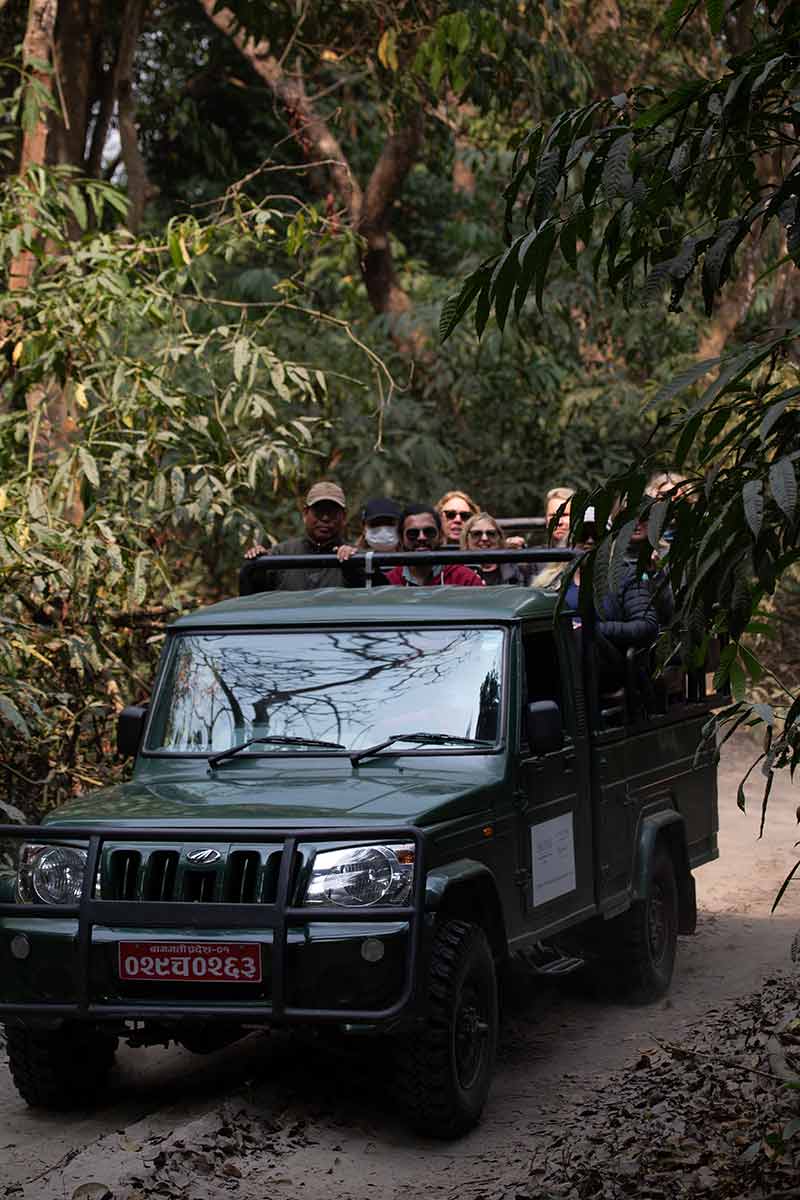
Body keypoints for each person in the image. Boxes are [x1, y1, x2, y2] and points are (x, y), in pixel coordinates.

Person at [239, 481, 352, 594]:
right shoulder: (280, 555)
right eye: (319, 511)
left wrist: (352, 567)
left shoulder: (354, 559)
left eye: (332, 512)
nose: (325, 518)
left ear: (344, 517)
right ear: (305, 513)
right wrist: (257, 563)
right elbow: (254, 598)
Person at [385, 505, 484, 586]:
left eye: (429, 532)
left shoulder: (465, 579)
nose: (421, 537)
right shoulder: (389, 582)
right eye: (413, 533)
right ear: (401, 539)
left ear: (440, 536)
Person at [461, 512, 528, 585]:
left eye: (491, 533)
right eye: (476, 533)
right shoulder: (456, 572)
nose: (484, 538)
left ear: (499, 538)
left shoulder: (516, 570)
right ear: (466, 539)